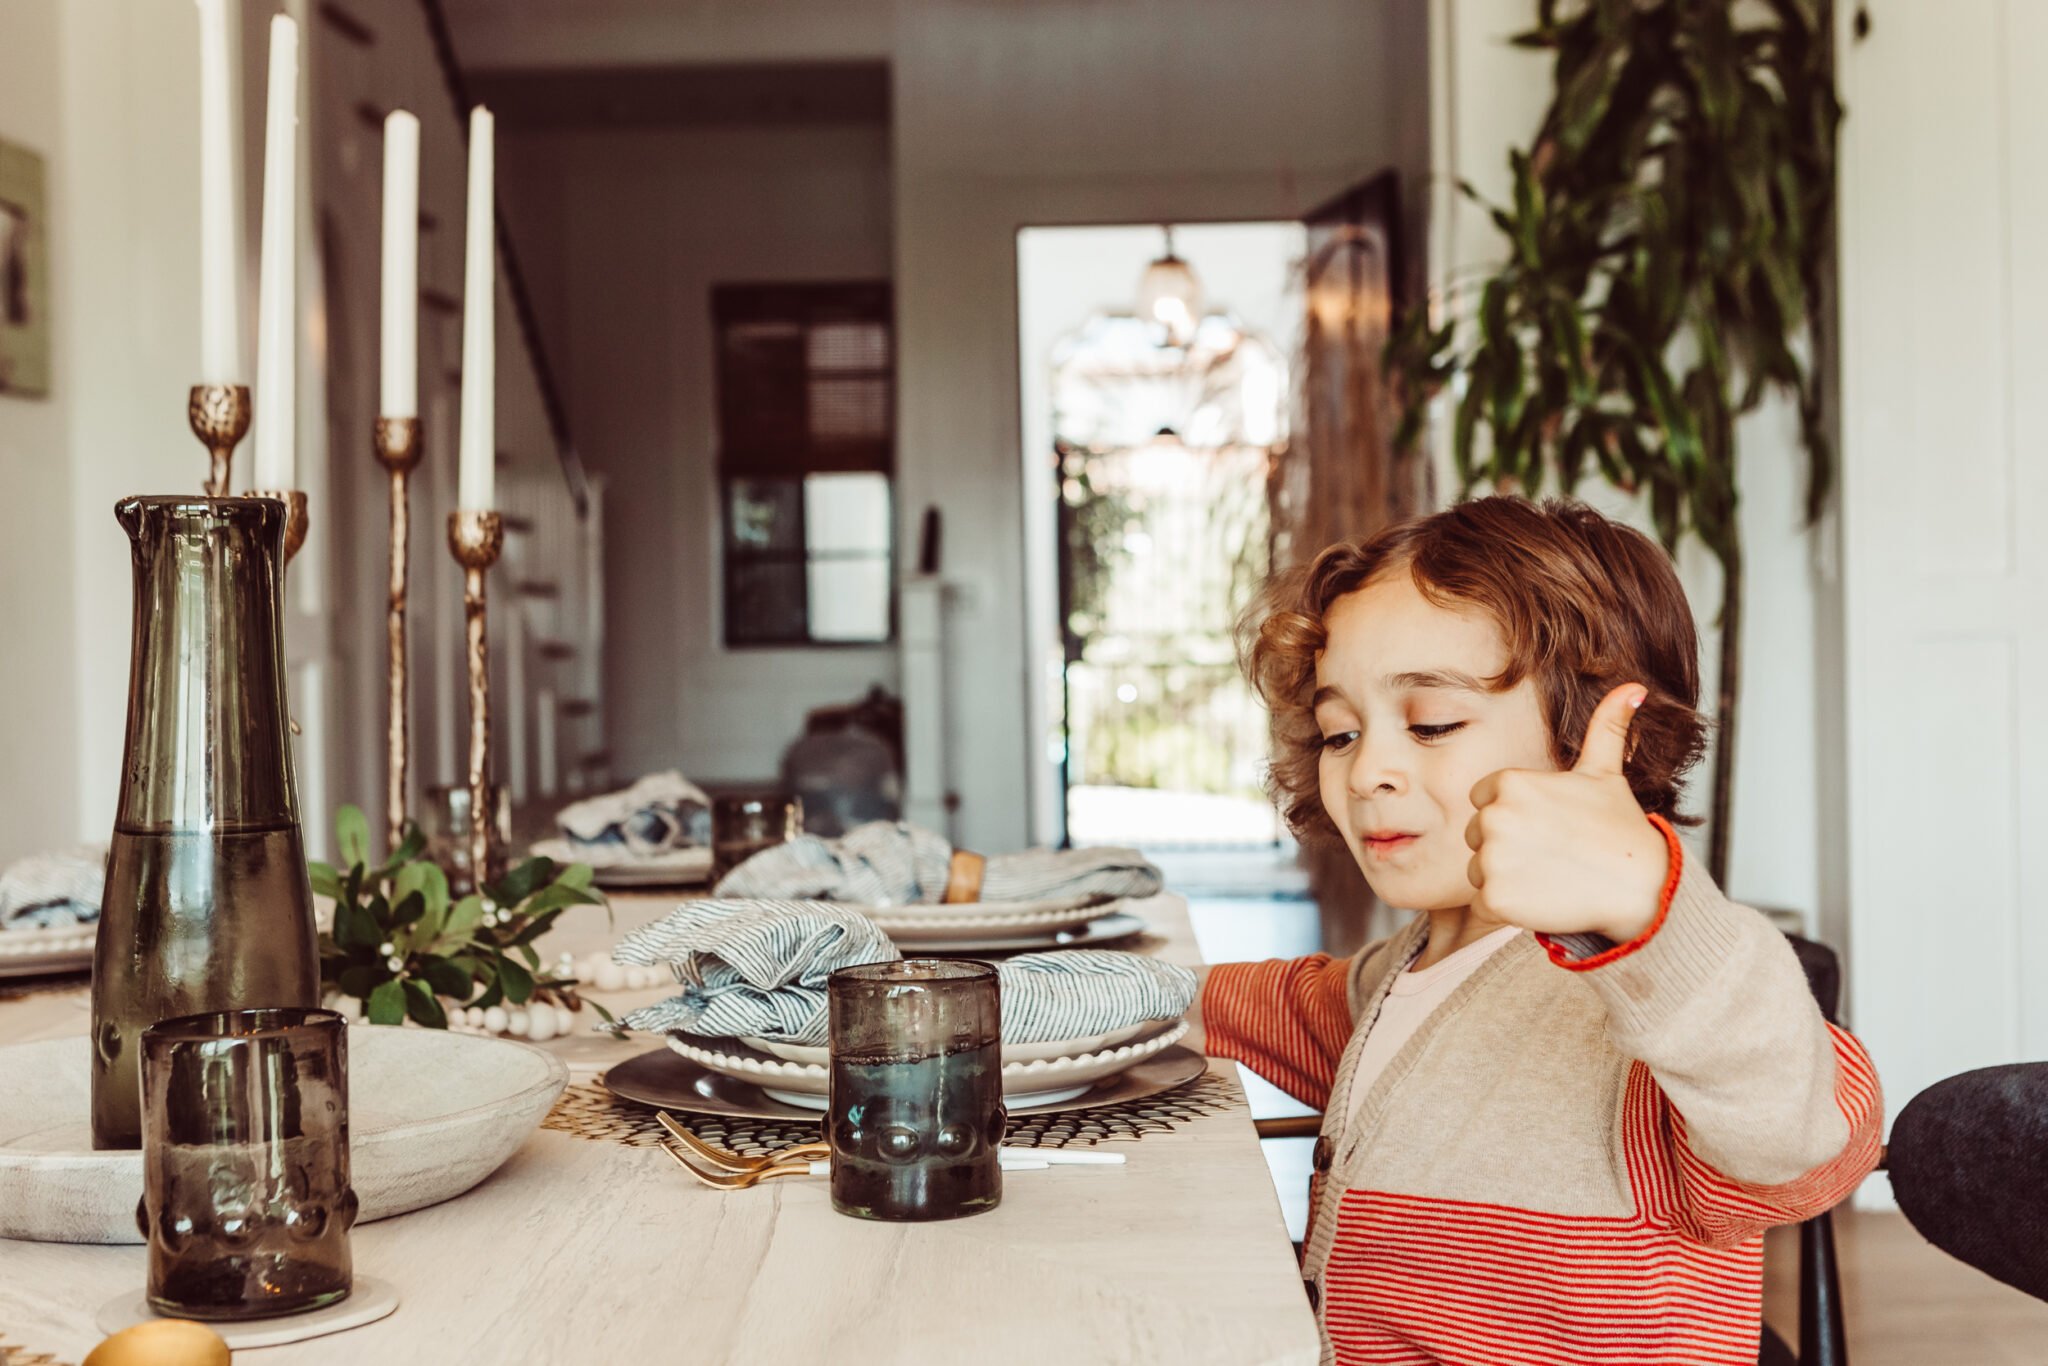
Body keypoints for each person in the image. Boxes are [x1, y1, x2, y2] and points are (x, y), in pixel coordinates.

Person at [1196, 496, 1881, 1365]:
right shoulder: (1404, 972)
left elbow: (1800, 1139)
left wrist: (1647, 908)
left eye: (1432, 723)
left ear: (1603, 737)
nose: (1369, 770)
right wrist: (1081, 997)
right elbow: (1276, 1004)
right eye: (1340, 733)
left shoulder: (1643, 1019)